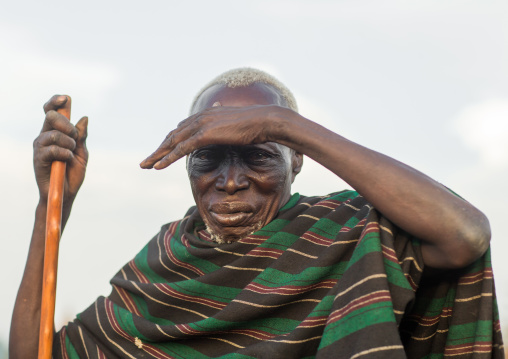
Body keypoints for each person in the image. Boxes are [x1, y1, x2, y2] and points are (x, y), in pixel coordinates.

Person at [10, 68, 503, 358]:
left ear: (297, 161)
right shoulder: (164, 265)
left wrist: (282, 123)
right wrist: (52, 205)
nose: (229, 181)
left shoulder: (350, 233)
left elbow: (464, 234)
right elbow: (37, 355)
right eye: (208, 157)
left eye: (259, 154)